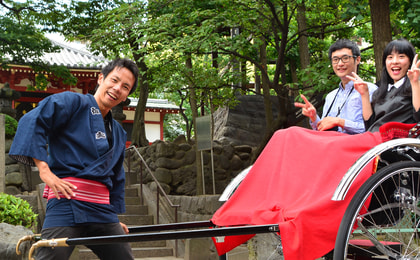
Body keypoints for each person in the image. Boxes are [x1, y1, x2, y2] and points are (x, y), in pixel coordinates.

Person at [211, 39, 420, 260]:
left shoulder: (406, 86)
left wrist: (415, 83)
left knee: (322, 144)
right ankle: (280, 201)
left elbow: (415, 119)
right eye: (390, 57)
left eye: (401, 57)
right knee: (287, 134)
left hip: (379, 141)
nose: (395, 62)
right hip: (363, 137)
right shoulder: (379, 90)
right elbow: (370, 123)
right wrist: (352, 103)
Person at [9, 58, 139, 260]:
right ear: (100, 78)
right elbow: (32, 120)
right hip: (66, 202)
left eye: (125, 87)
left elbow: (116, 175)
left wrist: (112, 217)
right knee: (50, 258)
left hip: (102, 210)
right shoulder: (71, 102)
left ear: (126, 96)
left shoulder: (120, 133)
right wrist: (44, 170)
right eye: (114, 80)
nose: (117, 89)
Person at [295, 39, 377, 134]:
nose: (340, 64)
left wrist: (340, 122)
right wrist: (314, 117)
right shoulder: (331, 96)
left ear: (357, 60)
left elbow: (374, 128)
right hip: (331, 144)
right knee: (289, 132)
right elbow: (322, 130)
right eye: (335, 60)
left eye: (345, 58)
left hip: (355, 145)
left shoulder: (370, 90)